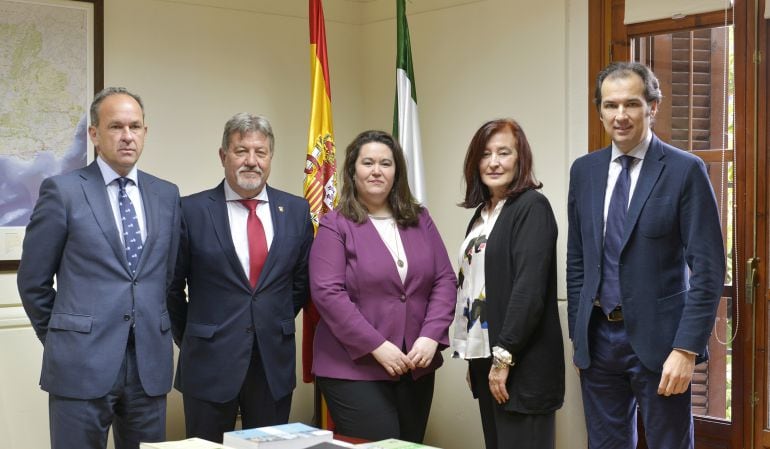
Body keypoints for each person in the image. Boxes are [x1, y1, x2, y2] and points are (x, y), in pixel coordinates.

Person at [567, 61, 726, 449]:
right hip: (599, 339)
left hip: (662, 344)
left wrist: (686, 349)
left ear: (652, 106)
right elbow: (577, 261)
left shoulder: (684, 170)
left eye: (632, 104)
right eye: (610, 105)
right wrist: (579, 332)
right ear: (600, 110)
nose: (620, 116)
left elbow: (708, 270)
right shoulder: (584, 171)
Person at [17, 87, 181, 449]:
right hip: (80, 364)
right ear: (94, 134)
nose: (127, 136)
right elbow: (33, 282)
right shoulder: (62, 192)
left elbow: (166, 278)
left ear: (145, 132)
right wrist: (66, 337)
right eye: (116, 126)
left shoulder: (166, 195)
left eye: (135, 127)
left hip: (148, 367)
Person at [167, 113, 314, 443]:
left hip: (271, 365)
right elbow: (171, 288)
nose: (252, 161)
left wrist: (267, 323)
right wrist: (195, 335)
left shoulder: (296, 211)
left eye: (260, 152)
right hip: (208, 363)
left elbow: (300, 284)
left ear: (270, 157)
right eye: (241, 151)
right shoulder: (190, 211)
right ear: (223, 156)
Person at [309, 130, 456, 443]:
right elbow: (327, 293)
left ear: (397, 172)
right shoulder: (336, 224)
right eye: (368, 162)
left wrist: (431, 336)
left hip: (415, 365)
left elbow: (444, 280)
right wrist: (376, 345)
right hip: (352, 367)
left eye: (386, 163)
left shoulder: (420, 219)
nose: (377, 170)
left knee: (410, 443)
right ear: (352, 171)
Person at [452, 118, 564, 449]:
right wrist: (476, 354)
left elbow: (528, 292)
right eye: (486, 154)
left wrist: (503, 358)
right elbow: (476, 287)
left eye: (504, 152)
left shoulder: (531, 207)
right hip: (488, 359)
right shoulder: (482, 215)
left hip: (520, 362)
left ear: (520, 159)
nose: (494, 162)